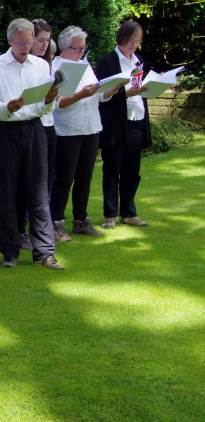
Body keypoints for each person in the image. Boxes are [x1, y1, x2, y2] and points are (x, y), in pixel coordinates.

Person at [0, 18, 64, 270]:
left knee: (39, 192)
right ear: (9, 41)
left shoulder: (40, 66)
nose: (26, 47)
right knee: (8, 192)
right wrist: (8, 107)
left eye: (30, 42)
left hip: (34, 129)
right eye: (21, 43)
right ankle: (10, 253)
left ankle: (44, 253)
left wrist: (49, 98)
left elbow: (42, 107)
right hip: (6, 132)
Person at [49, 27, 129, 242]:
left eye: (83, 48)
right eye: (77, 48)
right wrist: (80, 95)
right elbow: (57, 104)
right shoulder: (56, 68)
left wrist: (113, 88)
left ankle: (80, 220)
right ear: (64, 47)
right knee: (65, 178)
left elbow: (100, 97)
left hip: (91, 126)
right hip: (68, 129)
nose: (80, 52)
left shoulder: (84, 66)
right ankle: (56, 222)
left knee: (85, 177)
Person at [96, 20, 152, 229]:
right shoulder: (107, 62)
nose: (134, 45)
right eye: (131, 41)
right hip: (115, 123)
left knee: (132, 169)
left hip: (136, 118)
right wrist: (124, 93)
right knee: (112, 169)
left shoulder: (138, 60)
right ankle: (110, 214)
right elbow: (102, 93)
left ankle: (129, 212)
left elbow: (140, 88)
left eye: (137, 41)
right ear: (122, 38)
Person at [16, 19, 56, 251]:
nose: (43, 45)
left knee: (46, 179)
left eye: (46, 40)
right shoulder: (21, 66)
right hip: (27, 125)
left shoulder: (45, 65)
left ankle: (40, 228)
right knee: (24, 181)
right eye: (39, 40)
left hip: (47, 125)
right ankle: (20, 229)